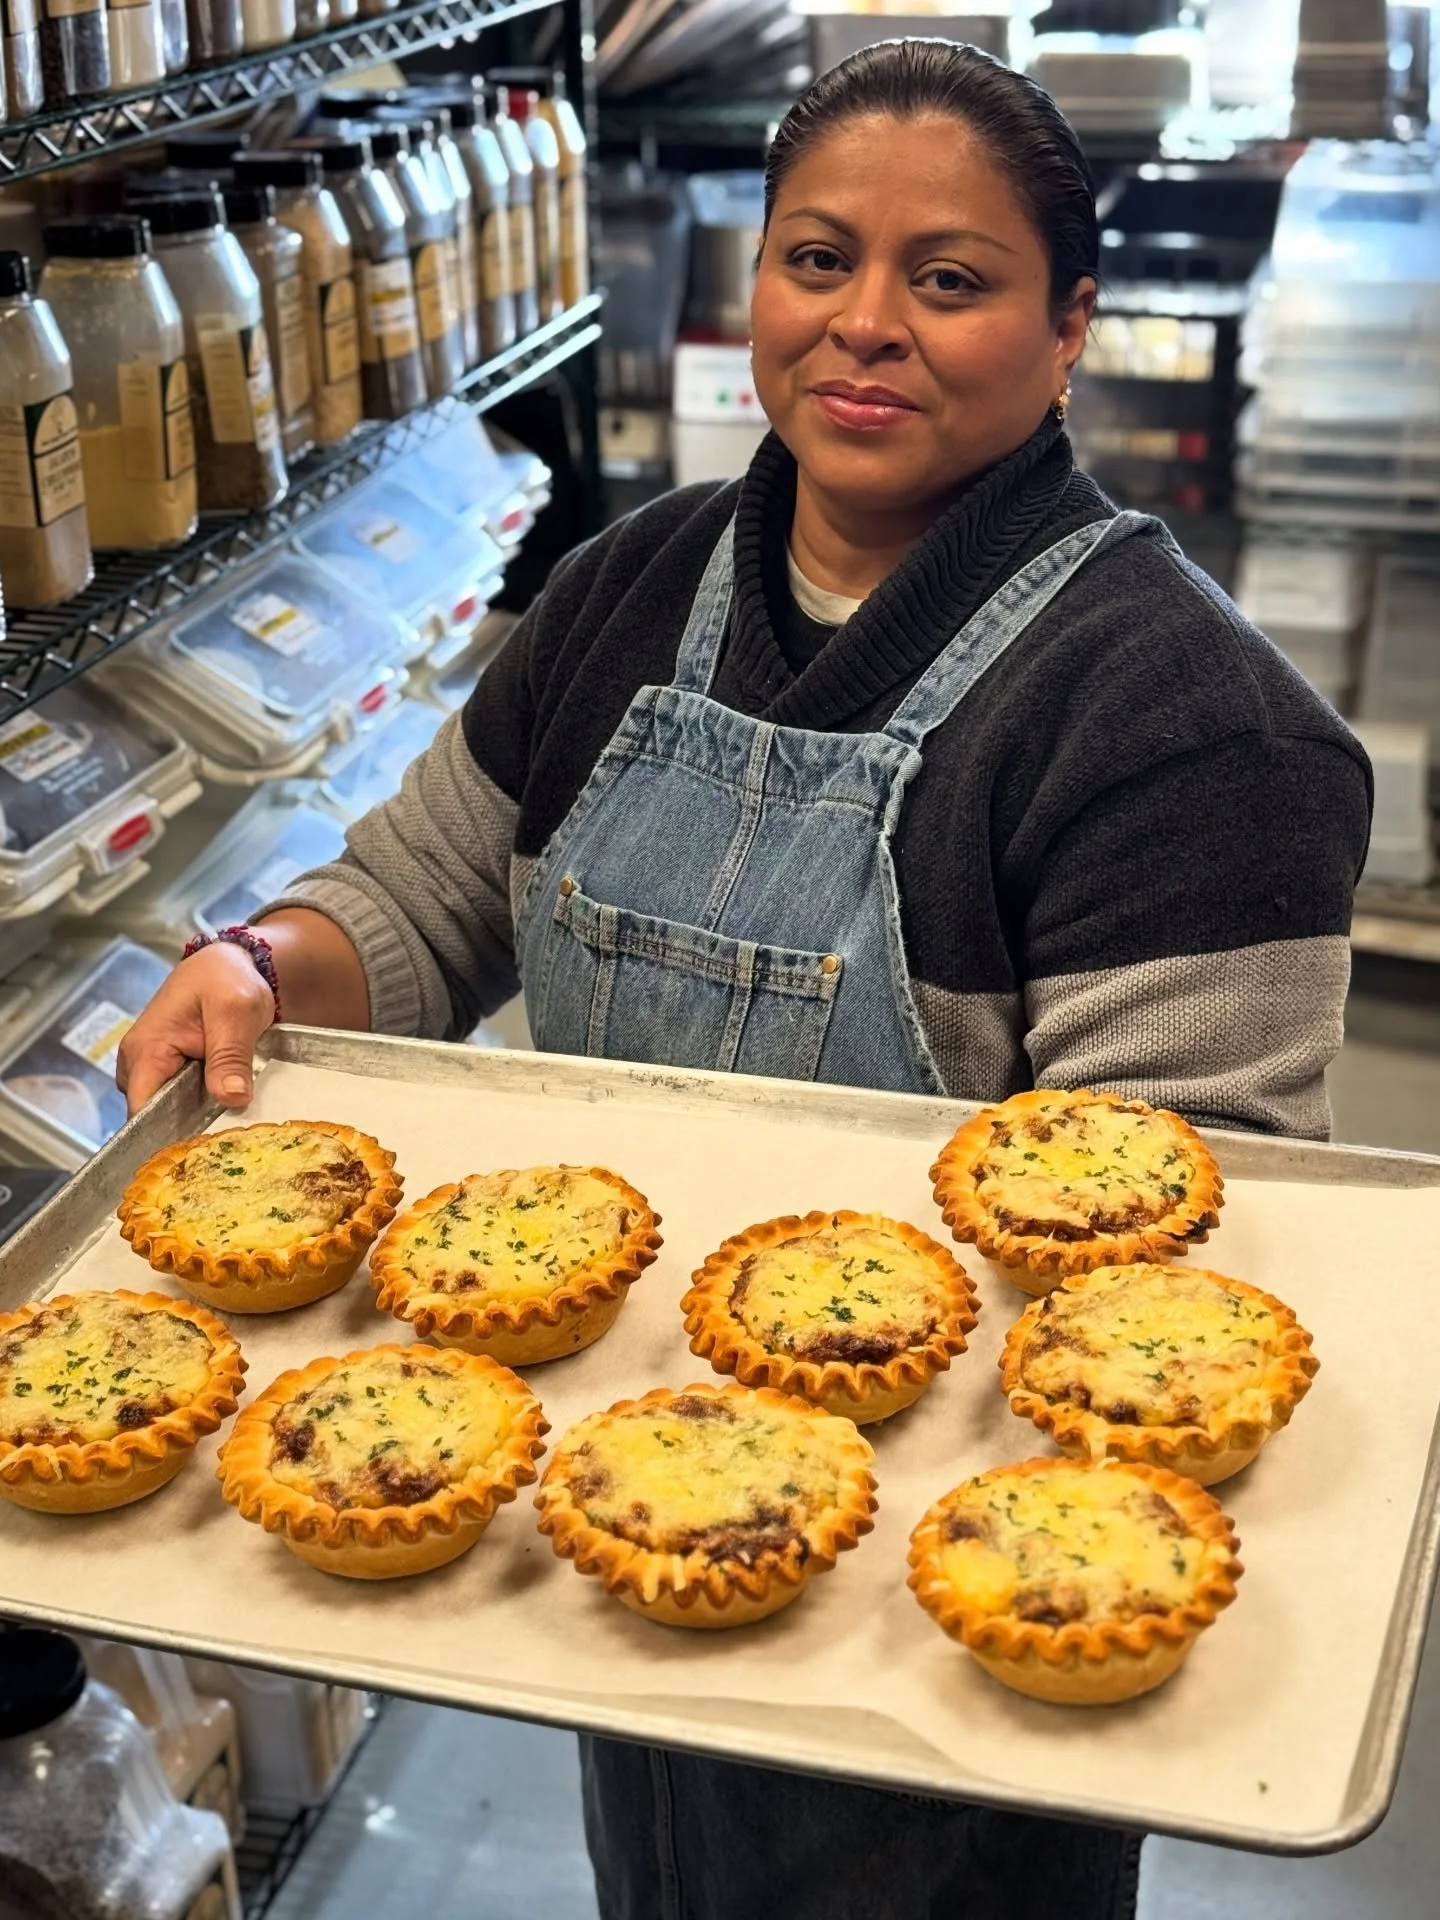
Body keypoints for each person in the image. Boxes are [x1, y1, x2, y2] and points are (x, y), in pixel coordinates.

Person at [120, 39, 1370, 1920]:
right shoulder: (628, 588)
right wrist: (256, 961)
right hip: (641, 1467)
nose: (865, 325)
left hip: (952, 1581)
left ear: (1069, 329)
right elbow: (423, 899)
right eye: (817, 260)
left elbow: (1162, 1230)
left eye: (950, 278)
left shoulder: (1189, 724)